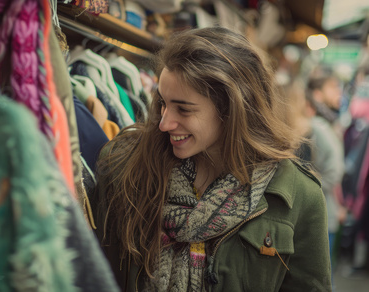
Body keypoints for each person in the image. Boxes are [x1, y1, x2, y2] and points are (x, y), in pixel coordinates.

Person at [91, 27, 332, 292]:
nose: (164, 122)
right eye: (163, 102)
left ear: (231, 109)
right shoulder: (124, 164)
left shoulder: (298, 196)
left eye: (184, 109)